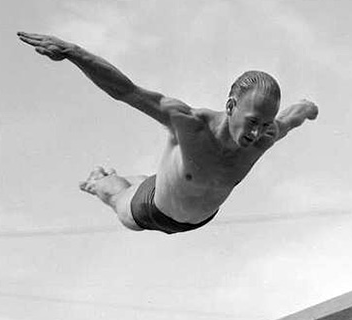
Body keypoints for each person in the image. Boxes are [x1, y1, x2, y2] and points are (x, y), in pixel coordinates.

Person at [17, 32, 319, 234]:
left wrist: (308, 107)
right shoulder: (189, 123)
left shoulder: (266, 134)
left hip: (198, 218)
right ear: (230, 106)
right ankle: (99, 180)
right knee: (113, 192)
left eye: (265, 124)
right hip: (152, 210)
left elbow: (293, 116)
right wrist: (73, 53)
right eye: (252, 121)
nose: (257, 132)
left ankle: (139, 178)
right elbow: (126, 91)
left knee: (163, 177)